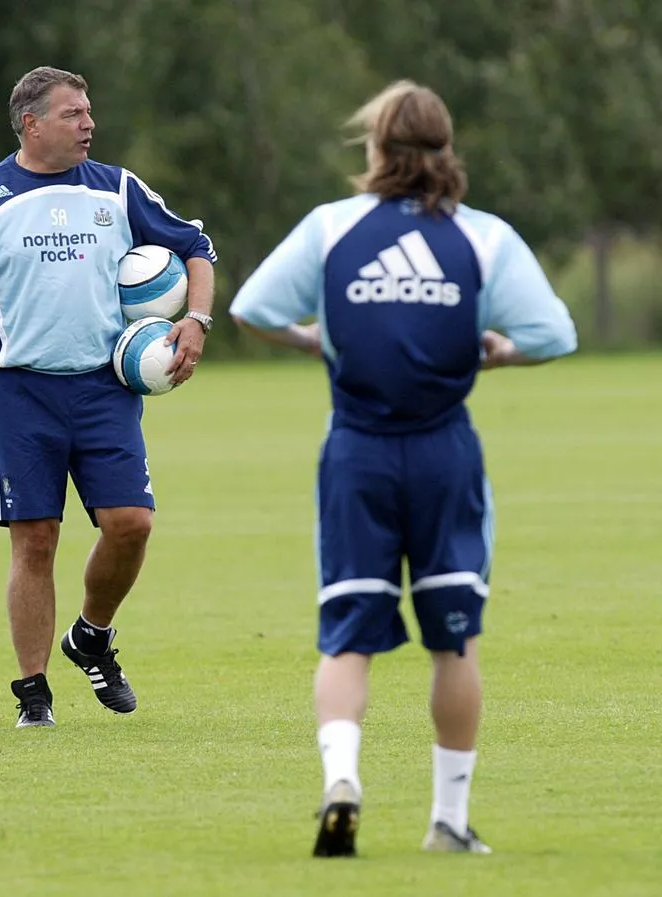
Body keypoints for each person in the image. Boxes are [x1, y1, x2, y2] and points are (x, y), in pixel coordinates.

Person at [229, 81, 577, 856]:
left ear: (377, 148)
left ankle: (341, 781)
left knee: (347, 636)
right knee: (454, 642)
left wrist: (318, 339)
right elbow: (555, 334)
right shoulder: (482, 238)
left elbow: (252, 307)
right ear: (446, 149)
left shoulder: (331, 228)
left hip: (356, 454)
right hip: (445, 454)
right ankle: (448, 819)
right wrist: (500, 352)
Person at [0, 66, 216, 728]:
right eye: (74, 114)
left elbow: (195, 247)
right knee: (36, 538)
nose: (88, 124)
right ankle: (33, 693)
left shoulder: (117, 189)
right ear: (32, 124)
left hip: (105, 390)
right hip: (17, 392)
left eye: (89, 112)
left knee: (131, 524)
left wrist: (196, 319)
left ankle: (91, 634)